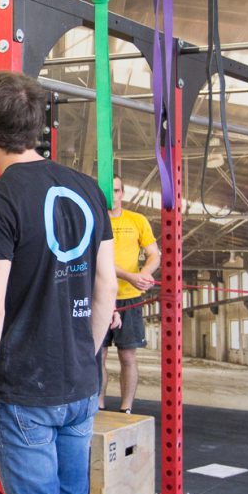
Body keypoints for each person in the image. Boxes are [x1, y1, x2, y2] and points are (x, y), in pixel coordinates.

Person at [0, 71, 118, 494]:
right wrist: (85, 354)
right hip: (81, 387)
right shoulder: (89, 190)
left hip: (26, 393)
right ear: (37, 125)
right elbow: (106, 286)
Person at [100, 175, 160, 413]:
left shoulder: (138, 220)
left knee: (128, 357)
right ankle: (98, 407)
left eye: (116, 191)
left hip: (130, 298)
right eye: (108, 191)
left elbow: (154, 254)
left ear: (122, 193)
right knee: (98, 357)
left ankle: (126, 409)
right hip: (101, 296)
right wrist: (131, 276)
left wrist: (144, 274)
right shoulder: (95, 221)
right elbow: (97, 260)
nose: (112, 196)